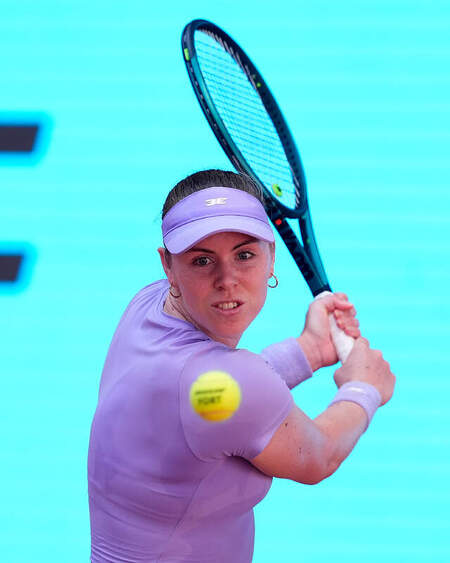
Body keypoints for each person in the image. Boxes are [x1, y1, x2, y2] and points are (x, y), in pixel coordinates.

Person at [88, 169, 395, 562]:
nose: (227, 279)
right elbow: (320, 455)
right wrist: (363, 387)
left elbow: (215, 400)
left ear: (272, 256)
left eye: (244, 255)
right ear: (168, 266)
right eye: (202, 260)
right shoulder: (223, 380)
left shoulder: (147, 306)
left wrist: (309, 350)